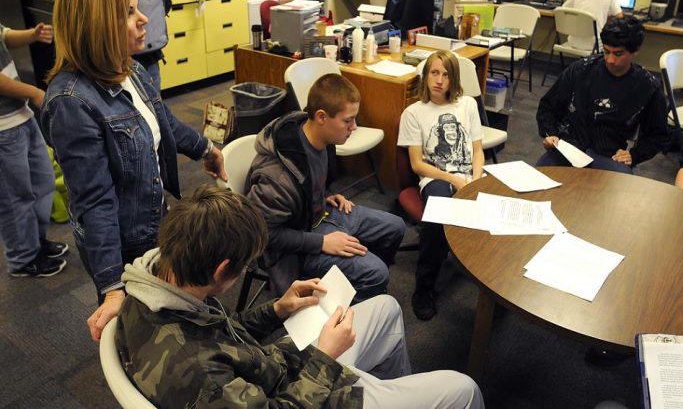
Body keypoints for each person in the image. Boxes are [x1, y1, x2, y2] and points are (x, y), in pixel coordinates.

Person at [116, 184, 484, 409]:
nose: (247, 270)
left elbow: (223, 333)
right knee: (462, 390)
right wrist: (324, 358)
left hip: (272, 371)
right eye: (245, 266)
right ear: (219, 270)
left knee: (385, 307)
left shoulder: (157, 281)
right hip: (298, 395)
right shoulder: (198, 374)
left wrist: (277, 309)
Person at [39, 0, 227, 342]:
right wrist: (111, 285)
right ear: (97, 23)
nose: (143, 19)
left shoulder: (130, 68)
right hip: (121, 243)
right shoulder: (71, 101)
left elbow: (163, 122)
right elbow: (95, 201)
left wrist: (205, 148)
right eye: (128, 12)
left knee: (167, 325)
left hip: (154, 221)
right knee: (137, 337)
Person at [247, 73, 405, 303]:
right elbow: (263, 234)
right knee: (376, 272)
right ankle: (346, 307)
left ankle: (358, 286)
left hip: (320, 214)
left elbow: (308, 180)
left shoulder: (320, 137)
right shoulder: (277, 178)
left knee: (396, 227)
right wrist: (323, 243)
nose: (354, 127)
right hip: (297, 246)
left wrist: (325, 194)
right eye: (348, 120)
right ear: (321, 116)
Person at [397, 50, 484, 320]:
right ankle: (423, 288)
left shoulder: (467, 105)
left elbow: (478, 150)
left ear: (454, 78)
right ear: (426, 76)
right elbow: (416, 164)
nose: (439, 80)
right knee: (437, 216)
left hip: (470, 175)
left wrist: (476, 181)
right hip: (435, 177)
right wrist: (454, 180)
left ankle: (495, 288)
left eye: (446, 74)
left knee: (503, 211)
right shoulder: (414, 113)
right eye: (434, 73)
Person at [536, 16, 669, 174]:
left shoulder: (647, 87)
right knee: (538, 180)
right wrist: (550, 133)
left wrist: (634, 155)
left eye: (618, 54)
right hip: (570, 147)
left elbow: (658, 134)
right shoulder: (581, 70)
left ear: (635, 50)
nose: (610, 60)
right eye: (606, 51)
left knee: (619, 193)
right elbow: (548, 106)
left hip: (609, 154)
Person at [0, 21, 69, 278]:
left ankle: (36, 244)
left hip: (20, 115)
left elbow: (4, 36)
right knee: (14, 197)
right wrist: (35, 93)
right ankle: (22, 258)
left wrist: (32, 35)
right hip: (3, 128)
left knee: (42, 183)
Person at [88, 0, 171, 91]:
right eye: (128, 12)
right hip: (149, 56)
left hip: (116, 62)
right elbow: (166, 1)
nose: (145, 19)